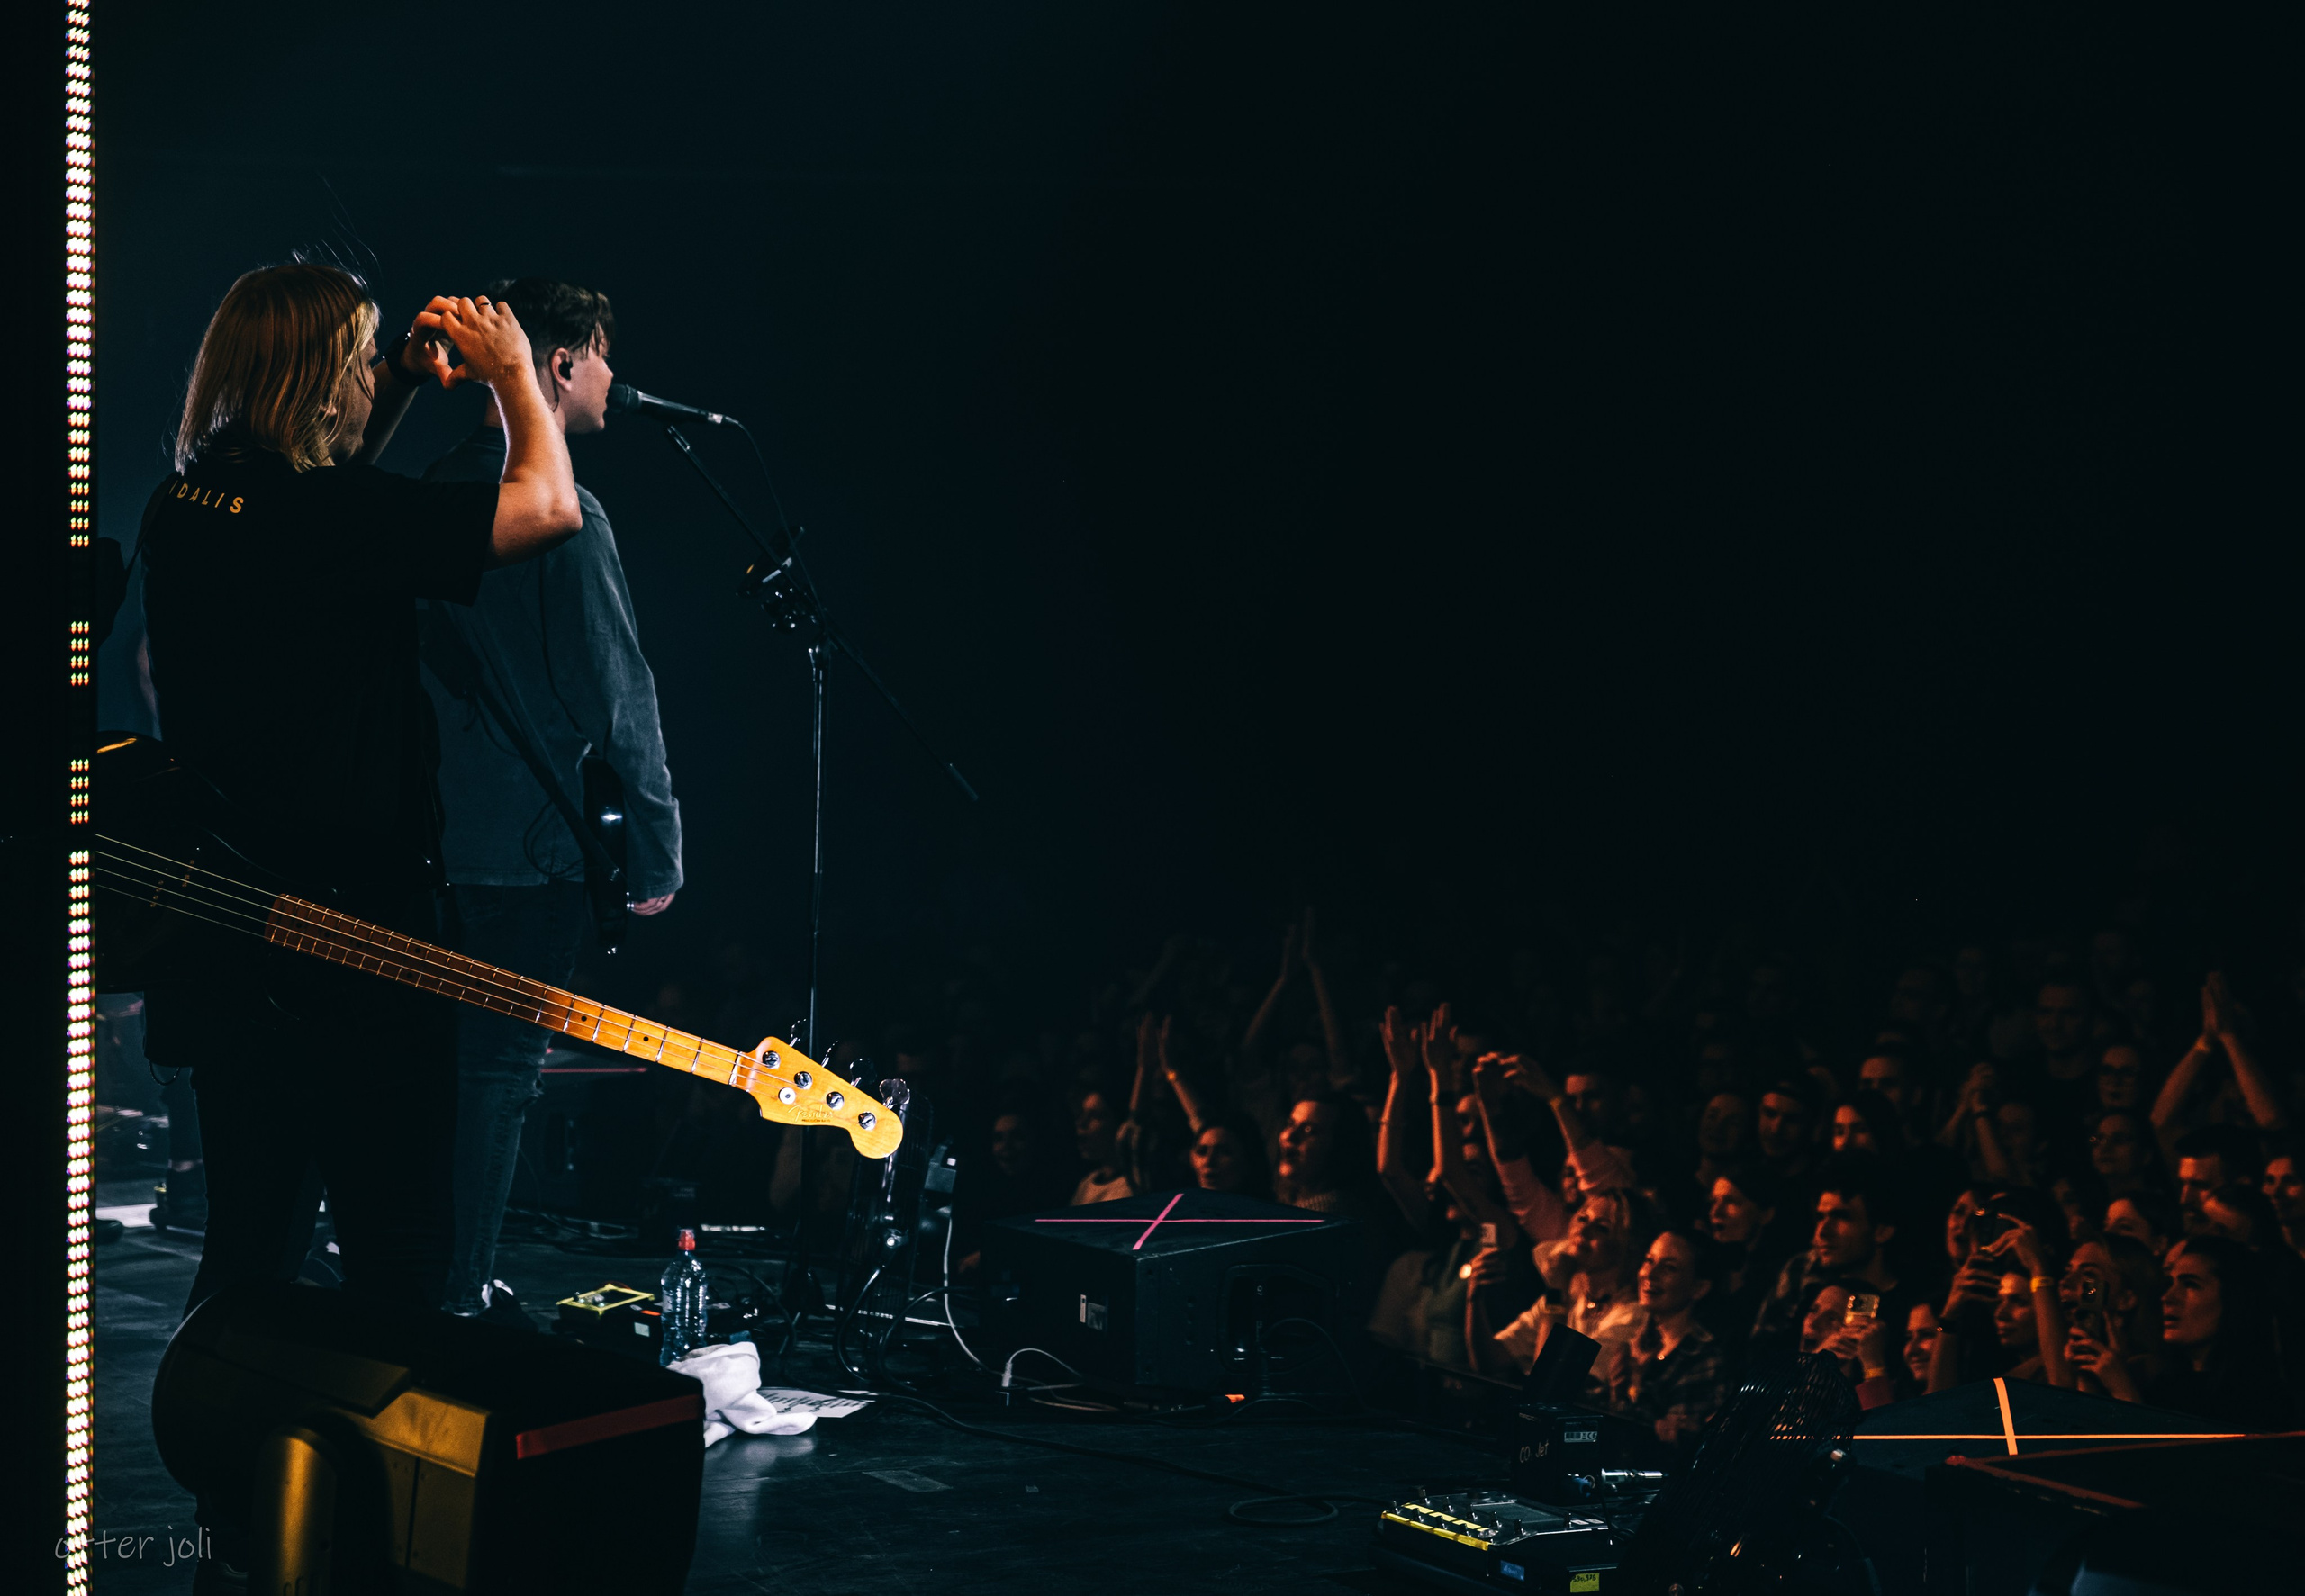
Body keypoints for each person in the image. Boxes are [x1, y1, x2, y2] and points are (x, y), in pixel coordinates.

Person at [139, 266, 579, 1587]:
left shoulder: (188, 504)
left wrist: (389, 391)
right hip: (363, 943)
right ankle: (386, 1527)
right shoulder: (328, 517)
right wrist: (513, 381)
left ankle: (233, 1514)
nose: (370, 372)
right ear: (315, 369)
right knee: (399, 1255)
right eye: (362, 355)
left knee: (254, 1241)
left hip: (234, 932)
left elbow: (317, 518)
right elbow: (545, 508)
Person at [415, 276, 683, 1324]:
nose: (616, 379)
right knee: (500, 1074)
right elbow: (618, 694)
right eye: (606, 356)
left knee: (442, 1070)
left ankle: (422, 1279)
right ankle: (460, 1293)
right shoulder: (571, 515)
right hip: (526, 851)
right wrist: (655, 854)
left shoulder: (434, 485)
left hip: (430, 838)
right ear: (561, 365)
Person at [1596, 1231, 1732, 1449]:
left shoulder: (1702, 1360)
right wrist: (1616, 1393)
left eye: (1669, 1268)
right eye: (1649, 1261)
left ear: (1698, 1288)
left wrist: (1636, 1388)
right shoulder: (1637, 1341)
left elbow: (1664, 1448)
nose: (1650, 1274)